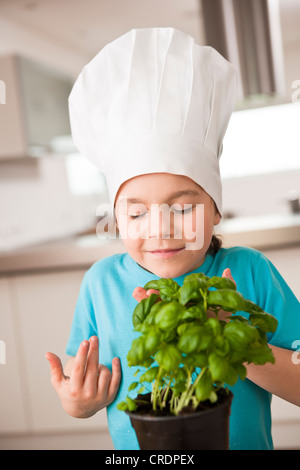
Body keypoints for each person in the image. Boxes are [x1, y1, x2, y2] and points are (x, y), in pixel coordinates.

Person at [45, 28, 300, 450]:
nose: (160, 227)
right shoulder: (100, 283)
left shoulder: (250, 272)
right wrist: (77, 401)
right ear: (116, 220)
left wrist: (235, 341)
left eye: (182, 208)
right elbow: (82, 382)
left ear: (216, 210)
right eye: (137, 212)